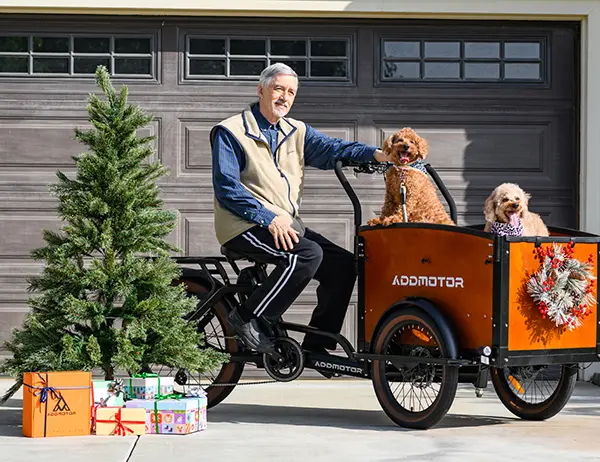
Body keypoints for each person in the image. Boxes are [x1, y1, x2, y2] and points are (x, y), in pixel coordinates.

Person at [210, 62, 392, 362]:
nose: (284, 97)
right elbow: (227, 189)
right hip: (243, 224)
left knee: (344, 265)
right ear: (261, 90)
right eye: (278, 89)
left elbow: (334, 148)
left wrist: (376, 154)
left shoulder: (295, 131)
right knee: (306, 254)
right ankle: (249, 317)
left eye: (290, 92)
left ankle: (316, 346)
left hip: (285, 222)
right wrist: (268, 218)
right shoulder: (231, 132)